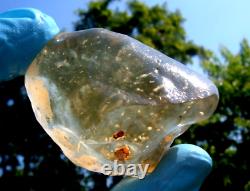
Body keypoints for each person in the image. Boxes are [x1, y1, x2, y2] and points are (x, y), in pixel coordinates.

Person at [0, 8, 212, 191]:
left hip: (167, 114)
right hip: (127, 147)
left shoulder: (79, 49)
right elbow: (80, 146)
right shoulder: (42, 83)